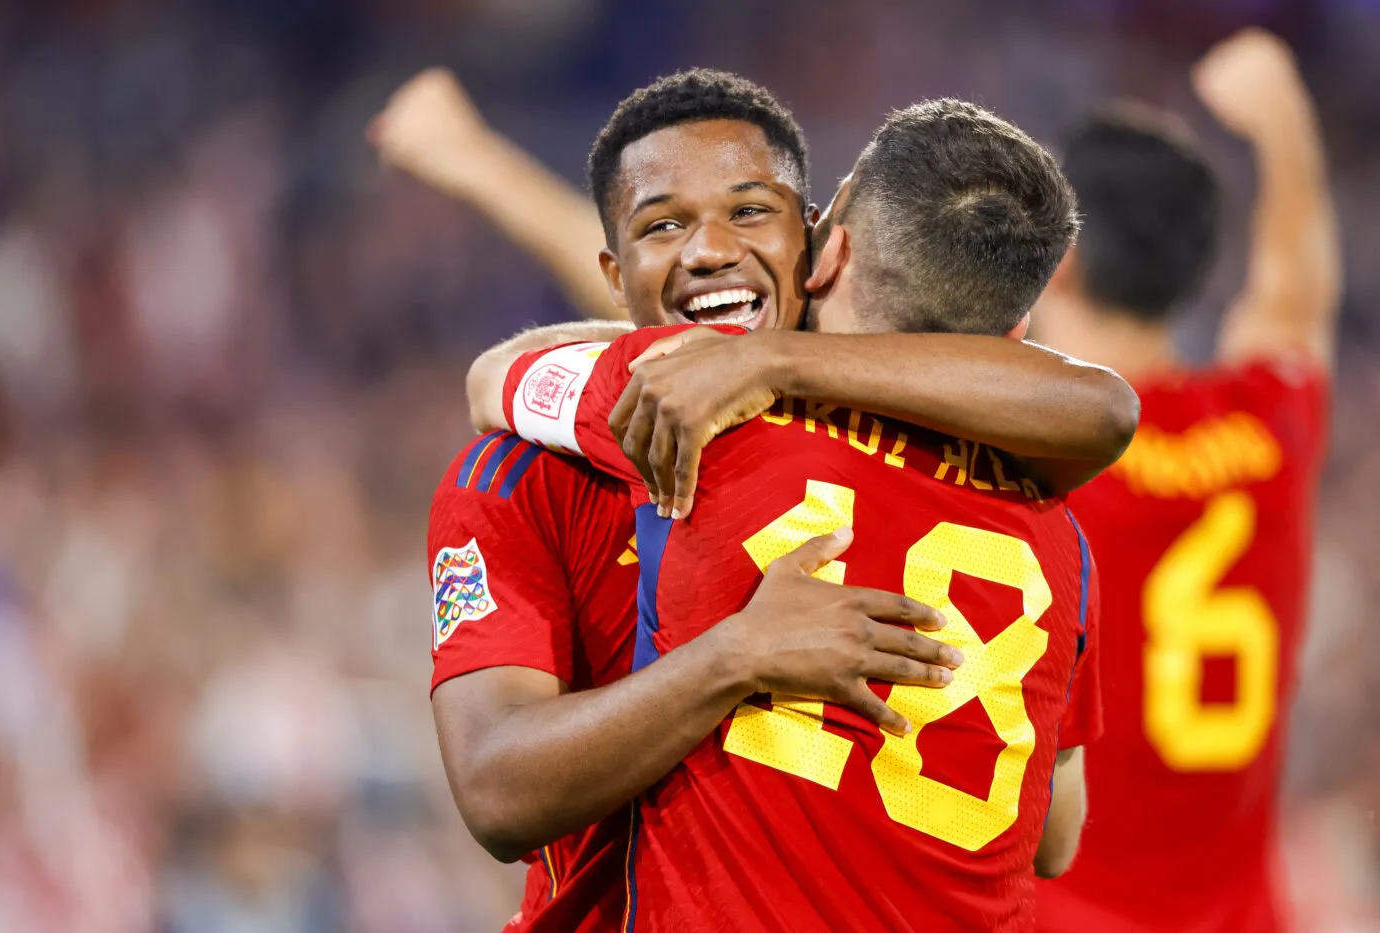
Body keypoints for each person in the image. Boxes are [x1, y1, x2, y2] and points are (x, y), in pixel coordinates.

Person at [402, 71, 1139, 933]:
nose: (710, 250)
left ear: (819, 241)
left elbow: (496, 375)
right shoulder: (1051, 511)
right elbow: (1051, 833)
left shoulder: (717, 430)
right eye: (664, 224)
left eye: (750, 212)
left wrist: (735, 656)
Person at [1023, 29, 1341, 932]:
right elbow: (1296, 291)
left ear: (1061, 262)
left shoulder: (1029, 461)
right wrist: (1283, 124)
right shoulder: (1266, 425)